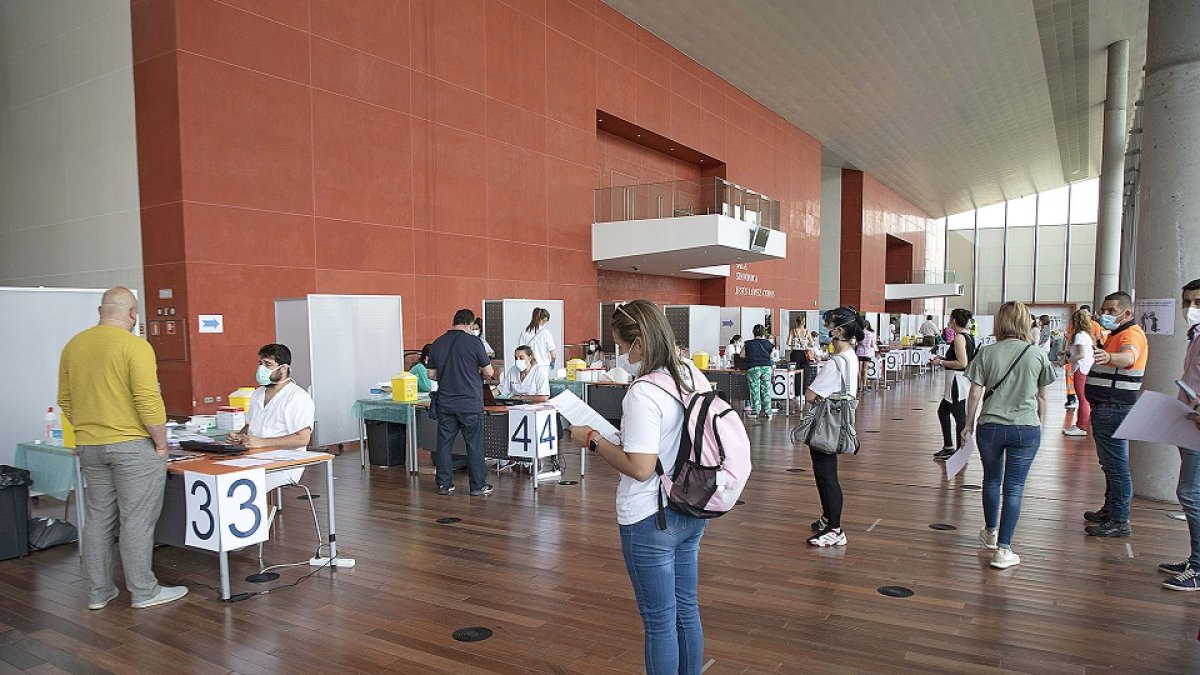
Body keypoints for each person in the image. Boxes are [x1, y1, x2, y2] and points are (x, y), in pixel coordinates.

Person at [568, 300, 711, 675]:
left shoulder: (644, 391)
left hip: (651, 517)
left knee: (660, 622)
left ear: (641, 344)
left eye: (621, 346)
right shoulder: (691, 374)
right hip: (692, 505)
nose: (621, 355)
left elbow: (641, 468)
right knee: (686, 610)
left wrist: (593, 441)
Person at [57, 286, 188, 610]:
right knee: (136, 520)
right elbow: (147, 400)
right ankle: (144, 590)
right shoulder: (135, 347)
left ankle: (99, 592)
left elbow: (65, 401)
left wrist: (88, 430)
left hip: (89, 446)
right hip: (131, 447)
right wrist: (161, 443)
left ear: (101, 311)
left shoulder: (73, 346)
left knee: (99, 518)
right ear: (133, 314)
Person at [962, 301, 1057, 569]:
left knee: (992, 480)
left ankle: (990, 532)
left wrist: (967, 424)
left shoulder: (987, 352)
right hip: (1025, 427)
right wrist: (1041, 424)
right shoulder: (1036, 354)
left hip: (990, 426)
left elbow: (975, 392)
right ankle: (1004, 550)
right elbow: (1042, 398)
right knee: (1014, 487)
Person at [1084, 291, 1149, 538]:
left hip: (1114, 407)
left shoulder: (1130, 334)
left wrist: (1109, 356)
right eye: (1104, 310)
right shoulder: (1117, 334)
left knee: (1116, 466)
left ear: (1127, 313)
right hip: (1107, 407)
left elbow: (1129, 356)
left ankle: (1119, 519)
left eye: (1111, 311)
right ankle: (1111, 510)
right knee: (1110, 464)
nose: (1105, 315)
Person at [804, 306, 863, 547]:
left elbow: (810, 395)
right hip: (842, 421)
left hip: (827, 424)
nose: (825, 330)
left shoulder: (835, 363)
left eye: (827, 326)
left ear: (839, 331)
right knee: (826, 472)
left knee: (826, 475)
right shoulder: (851, 357)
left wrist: (816, 395)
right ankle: (828, 517)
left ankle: (835, 529)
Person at [226, 343, 316, 491]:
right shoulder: (258, 393)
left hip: (285, 462)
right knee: (223, 475)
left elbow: (302, 438)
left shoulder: (297, 397)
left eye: (268, 365)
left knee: (243, 485)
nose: (261, 369)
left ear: (284, 368)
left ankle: (263, 513)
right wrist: (239, 437)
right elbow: (250, 425)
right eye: (260, 364)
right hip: (254, 456)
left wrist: (262, 442)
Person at [428, 309, 496, 496]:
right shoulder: (474, 342)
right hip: (469, 404)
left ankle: (444, 484)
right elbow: (489, 372)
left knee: (444, 444)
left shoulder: (438, 343)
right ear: (469, 324)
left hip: (446, 403)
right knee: (474, 444)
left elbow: (431, 374)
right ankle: (477, 486)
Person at [1161, 279, 1200, 590]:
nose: (1190, 309)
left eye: (1197, 302)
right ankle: (1195, 558)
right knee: (1191, 493)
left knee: (1190, 493)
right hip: (1189, 421)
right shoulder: (1195, 336)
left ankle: (1199, 567)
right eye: (1186, 302)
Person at [932, 309, 976, 461]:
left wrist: (942, 362)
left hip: (957, 381)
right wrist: (943, 359)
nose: (949, 321)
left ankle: (961, 451)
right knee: (943, 411)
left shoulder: (959, 338)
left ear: (955, 320)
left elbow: (962, 363)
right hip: (954, 381)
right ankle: (949, 447)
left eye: (951, 318)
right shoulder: (967, 337)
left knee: (959, 417)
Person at [1062, 311, 1095, 437]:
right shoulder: (1086, 335)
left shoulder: (1079, 336)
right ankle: (1081, 424)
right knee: (1084, 398)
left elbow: (1080, 354)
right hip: (1086, 367)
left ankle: (1081, 426)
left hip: (1081, 368)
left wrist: (1066, 361)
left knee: (1082, 398)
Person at [740, 324, 775, 418]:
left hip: (753, 368)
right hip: (767, 368)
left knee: (755, 390)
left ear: (753, 332)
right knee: (766, 390)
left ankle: (756, 411)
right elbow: (772, 356)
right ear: (763, 333)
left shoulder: (748, 343)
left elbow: (741, 355)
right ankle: (768, 412)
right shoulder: (768, 343)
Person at [856, 320, 877, 391]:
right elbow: (872, 344)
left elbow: (856, 343)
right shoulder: (871, 333)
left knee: (859, 370)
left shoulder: (859, 333)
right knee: (865, 370)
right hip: (867, 353)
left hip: (859, 353)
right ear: (867, 326)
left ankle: (858, 386)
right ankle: (864, 386)